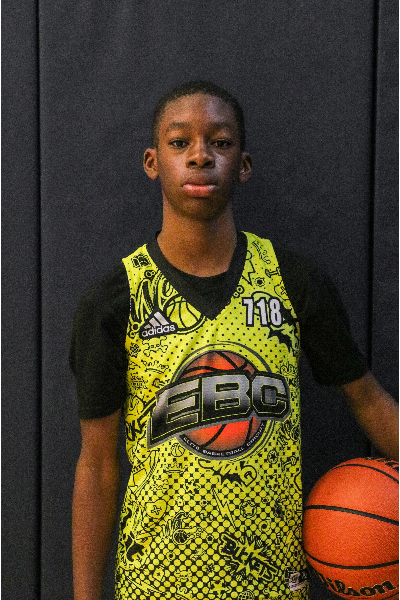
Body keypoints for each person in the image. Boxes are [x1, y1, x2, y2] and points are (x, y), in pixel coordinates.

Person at [70, 81, 399, 600]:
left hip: (274, 583)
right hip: (156, 583)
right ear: (153, 163)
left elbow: (367, 399)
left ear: (243, 165)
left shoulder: (293, 281)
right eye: (180, 142)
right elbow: (97, 464)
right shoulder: (117, 299)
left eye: (220, 143)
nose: (200, 156)